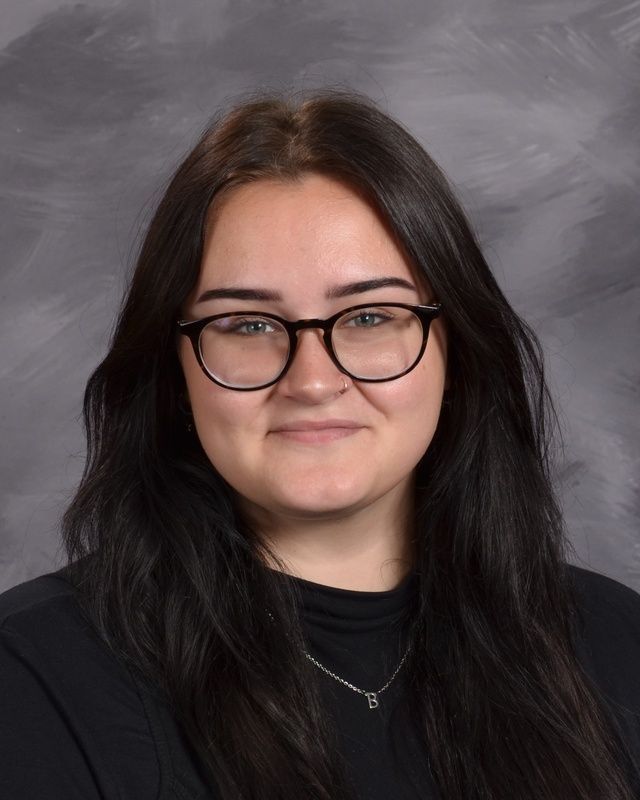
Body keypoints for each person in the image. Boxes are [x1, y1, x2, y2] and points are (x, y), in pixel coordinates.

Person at [0, 87, 639, 800]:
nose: (312, 379)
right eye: (246, 325)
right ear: (174, 372)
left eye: (368, 316)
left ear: (455, 351)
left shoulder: (618, 647)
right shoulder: (29, 678)